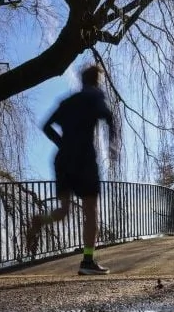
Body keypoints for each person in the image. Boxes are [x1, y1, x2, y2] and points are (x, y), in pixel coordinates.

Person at [27, 65, 119, 275]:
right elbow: (110, 118)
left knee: (63, 211)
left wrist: (63, 144)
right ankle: (87, 260)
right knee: (90, 211)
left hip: (63, 159)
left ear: (81, 80)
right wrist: (112, 144)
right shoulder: (94, 97)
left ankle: (40, 220)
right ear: (96, 81)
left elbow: (46, 126)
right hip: (84, 159)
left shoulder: (67, 102)